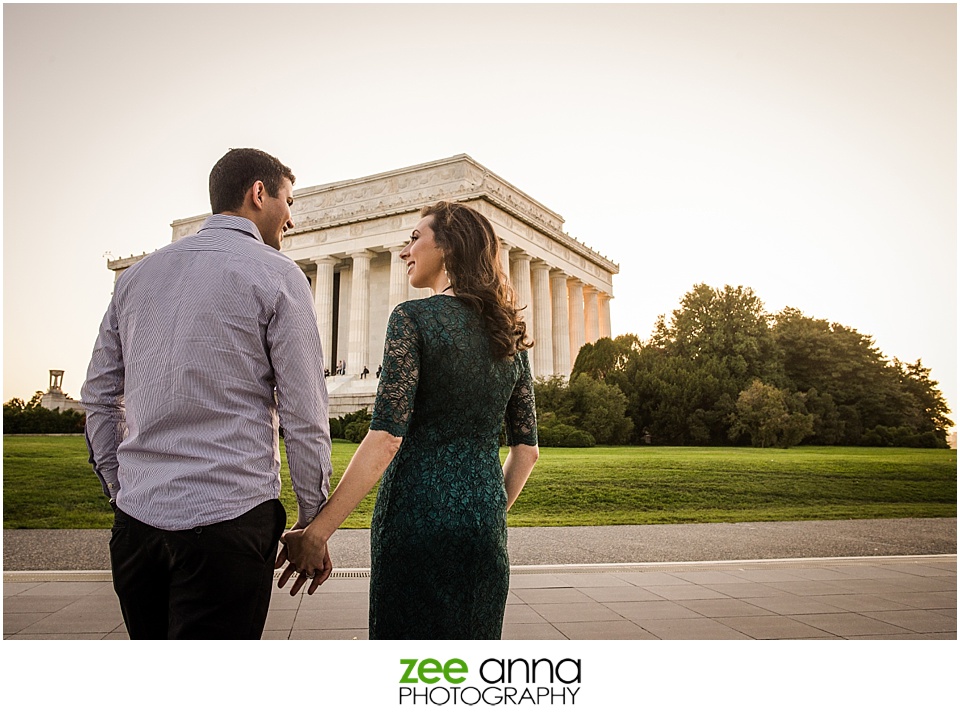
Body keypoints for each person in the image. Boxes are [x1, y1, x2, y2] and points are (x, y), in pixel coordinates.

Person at [81, 148, 333, 639]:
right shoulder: (279, 274)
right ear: (258, 193)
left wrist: (121, 489)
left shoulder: (136, 278)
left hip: (137, 523)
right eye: (288, 201)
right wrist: (312, 523)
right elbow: (304, 414)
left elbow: (100, 397)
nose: (291, 218)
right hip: (229, 520)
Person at [277, 201, 539, 639]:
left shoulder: (412, 318)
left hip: (413, 521)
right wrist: (486, 512)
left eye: (415, 238)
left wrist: (318, 532)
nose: (404, 251)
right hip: (484, 528)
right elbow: (527, 452)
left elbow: (387, 438)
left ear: (448, 246)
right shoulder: (509, 334)